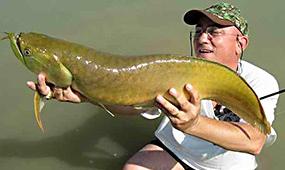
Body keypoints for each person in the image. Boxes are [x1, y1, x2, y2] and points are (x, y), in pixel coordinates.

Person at [27, 2, 279, 170]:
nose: (202, 38)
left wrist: (194, 124)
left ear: (240, 43)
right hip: (173, 150)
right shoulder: (175, 68)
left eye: (214, 31)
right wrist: (88, 95)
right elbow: (136, 106)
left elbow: (254, 141)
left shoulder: (261, 81)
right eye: (198, 31)